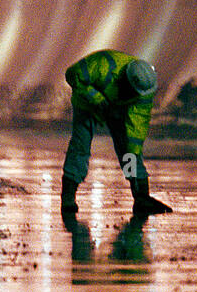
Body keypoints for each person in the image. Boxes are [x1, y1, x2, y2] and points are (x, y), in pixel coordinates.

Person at [61, 49, 172, 215]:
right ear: (126, 81)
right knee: (80, 146)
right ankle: (68, 198)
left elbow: (137, 127)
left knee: (128, 149)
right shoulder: (103, 64)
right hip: (86, 104)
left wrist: (132, 155)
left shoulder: (144, 90)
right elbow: (72, 74)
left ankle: (140, 196)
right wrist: (96, 98)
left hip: (117, 107)